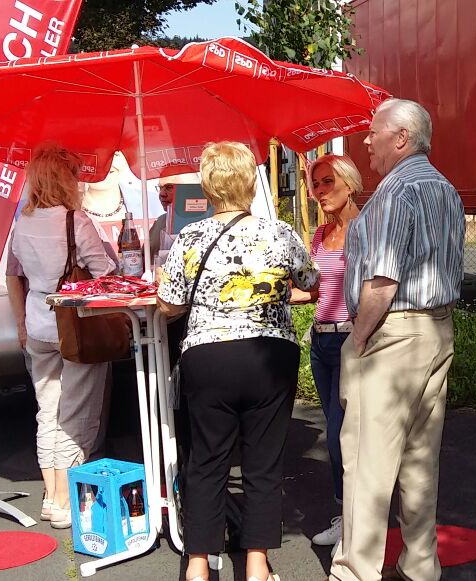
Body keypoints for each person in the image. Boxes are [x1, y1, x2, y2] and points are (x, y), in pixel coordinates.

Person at [157, 141, 319, 581]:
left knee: (206, 462)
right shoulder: (279, 233)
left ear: (208, 188)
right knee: (263, 465)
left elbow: (169, 304)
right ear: (251, 182)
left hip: (209, 357)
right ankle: (256, 565)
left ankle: (195, 566)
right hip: (269, 355)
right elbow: (310, 282)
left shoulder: (188, 238)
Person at [329, 99, 465, 581]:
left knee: (368, 460)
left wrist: (357, 340)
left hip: (393, 334)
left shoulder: (396, 192)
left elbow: (382, 282)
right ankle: (420, 564)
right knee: (419, 461)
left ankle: (354, 570)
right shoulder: (444, 188)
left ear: (401, 138)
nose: (366, 141)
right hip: (435, 330)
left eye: (373, 133)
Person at [5, 144, 118, 529]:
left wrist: (20, 323)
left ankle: (50, 497)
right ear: (64, 179)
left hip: (38, 323)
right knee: (77, 413)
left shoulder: (23, 222)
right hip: (74, 324)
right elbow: (104, 270)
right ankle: (67, 502)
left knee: (48, 411)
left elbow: (14, 274)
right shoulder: (75, 220)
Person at [290, 154, 362, 547]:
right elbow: (315, 291)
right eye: (315, 184)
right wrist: (272, 294)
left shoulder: (366, 231)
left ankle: (355, 523)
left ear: (349, 183)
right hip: (322, 340)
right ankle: (347, 516)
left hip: (354, 340)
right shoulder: (320, 235)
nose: (319, 192)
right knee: (338, 432)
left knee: (339, 435)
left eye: (327, 182)